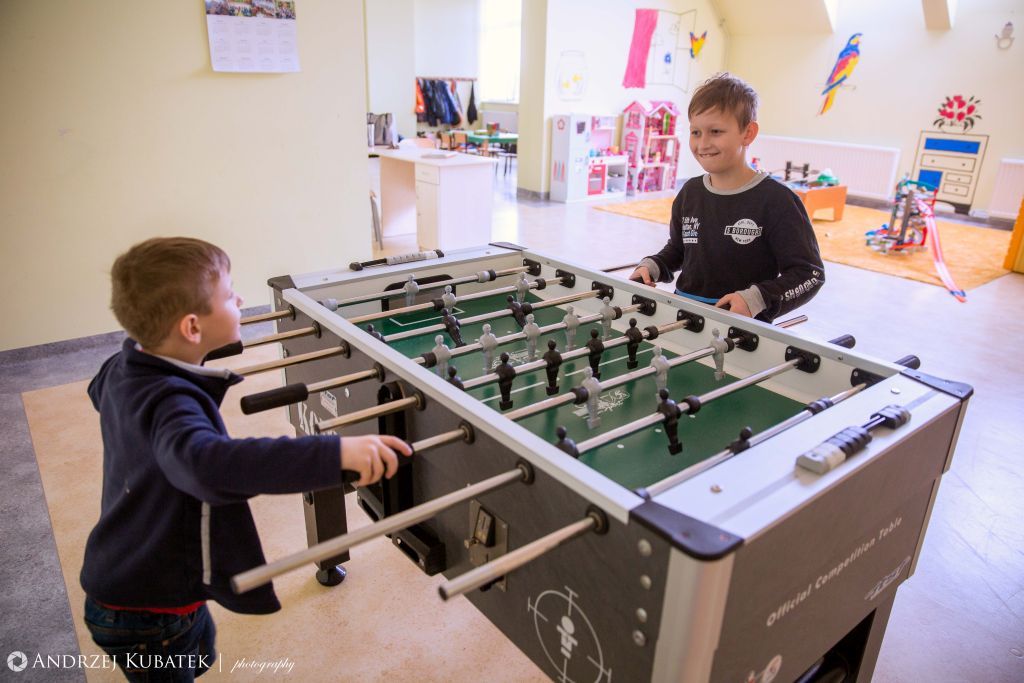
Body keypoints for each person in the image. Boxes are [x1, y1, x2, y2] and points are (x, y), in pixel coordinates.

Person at [80, 237, 412, 682]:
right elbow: (209, 464)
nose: (239, 300)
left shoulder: (124, 367)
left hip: (151, 576)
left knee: (199, 654)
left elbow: (99, 392)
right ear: (192, 328)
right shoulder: (170, 402)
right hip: (147, 611)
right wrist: (334, 452)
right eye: (229, 294)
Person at [631, 73, 824, 321]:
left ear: (748, 133)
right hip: (683, 318)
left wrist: (757, 299)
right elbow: (679, 250)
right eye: (696, 132)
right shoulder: (689, 192)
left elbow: (810, 274)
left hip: (741, 329)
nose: (703, 144)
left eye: (715, 131)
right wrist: (653, 266)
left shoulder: (778, 201)